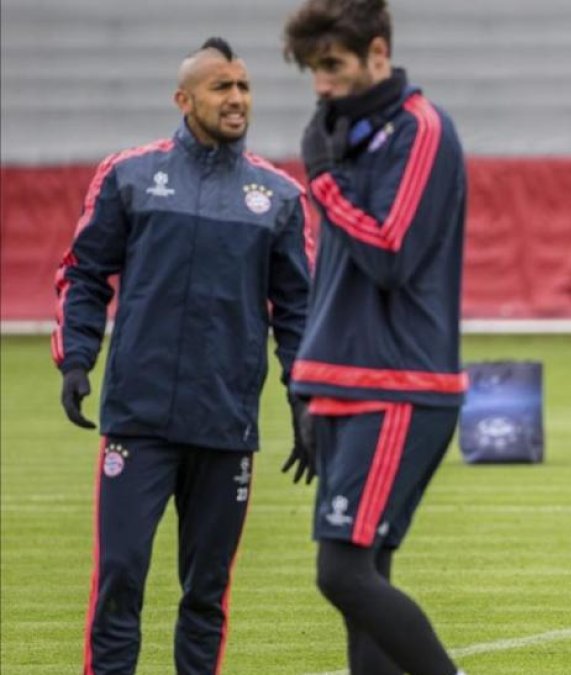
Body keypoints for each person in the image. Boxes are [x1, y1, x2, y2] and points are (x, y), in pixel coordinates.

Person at [51, 37, 312, 674]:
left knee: (206, 592)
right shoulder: (129, 176)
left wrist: (307, 400)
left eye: (244, 86)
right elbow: (84, 273)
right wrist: (77, 357)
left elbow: (299, 312)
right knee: (119, 579)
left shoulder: (278, 197)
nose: (237, 98)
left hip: (225, 426)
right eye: (222, 87)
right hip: (137, 421)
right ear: (184, 98)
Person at [282, 1, 468, 673]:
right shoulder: (346, 131)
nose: (321, 84)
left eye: (332, 65)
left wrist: (323, 182)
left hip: (399, 382)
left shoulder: (420, 129)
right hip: (345, 379)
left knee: (341, 573)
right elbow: (334, 277)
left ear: (379, 55)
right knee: (365, 585)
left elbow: (391, 253)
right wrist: (309, 385)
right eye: (312, 69)